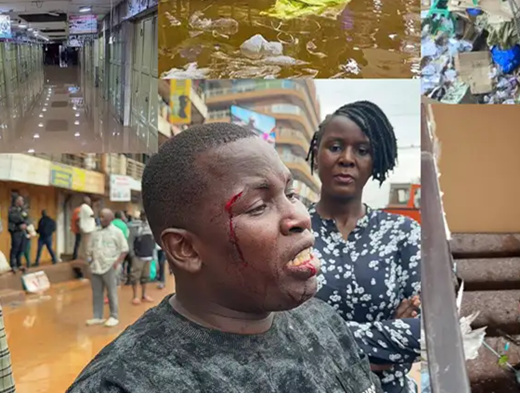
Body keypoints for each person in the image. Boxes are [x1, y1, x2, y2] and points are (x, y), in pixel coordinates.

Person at [68, 123, 379, 392]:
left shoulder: (325, 322)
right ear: (185, 249)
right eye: (258, 206)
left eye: (290, 193)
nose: (299, 216)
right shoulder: (126, 384)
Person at [307, 102, 420, 393]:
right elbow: (271, 332)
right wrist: (389, 334)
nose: (347, 159)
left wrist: (318, 347)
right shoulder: (291, 230)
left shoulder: (403, 234)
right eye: (335, 147)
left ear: (375, 160)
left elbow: (428, 330)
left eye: (362, 150)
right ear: (317, 153)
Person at [84, 208, 128, 328]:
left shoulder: (117, 232)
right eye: (100, 216)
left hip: (110, 266)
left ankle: (114, 316)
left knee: (112, 292)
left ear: (110, 219)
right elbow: (90, 248)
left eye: (103, 217)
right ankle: (97, 316)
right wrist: (90, 260)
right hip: (96, 266)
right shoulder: (95, 231)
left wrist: (117, 263)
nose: (100, 219)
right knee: (97, 293)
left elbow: (124, 249)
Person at [128, 212, 155, 306]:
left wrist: (153, 256)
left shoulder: (151, 226)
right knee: (135, 276)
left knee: (145, 276)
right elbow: (130, 240)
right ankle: (135, 296)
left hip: (148, 255)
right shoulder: (134, 226)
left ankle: (144, 295)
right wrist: (132, 254)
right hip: (137, 256)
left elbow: (153, 241)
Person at [7, 197, 29, 274]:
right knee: (15, 247)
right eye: (21, 200)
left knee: (22, 248)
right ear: (17, 201)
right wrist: (22, 221)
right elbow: (16, 218)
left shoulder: (23, 210)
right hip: (15, 231)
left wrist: (26, 224)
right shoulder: (12, 210)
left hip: (22, 232)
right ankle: (13, 265)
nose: (22, 202)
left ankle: (19, 264)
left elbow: (28, 218)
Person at [77, 195, 96, 262]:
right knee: (88, 244)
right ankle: (87, 257)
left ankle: (83, 257)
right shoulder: (86, 207)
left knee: (84, 243)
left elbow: (79, 217)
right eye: (89, 201)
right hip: (88, 228)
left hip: (85, 227)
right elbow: (92, 214)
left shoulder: (81, 208)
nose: (90, 202)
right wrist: (95, 207)